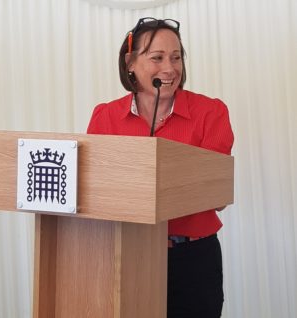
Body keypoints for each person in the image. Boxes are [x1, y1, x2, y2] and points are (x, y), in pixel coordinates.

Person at [87, 17, 234, 318]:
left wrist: (138, 184)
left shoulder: (211, 112)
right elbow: (97, 189)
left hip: (193, 260)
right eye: (157, 58)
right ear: (130, 63)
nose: (170, 69)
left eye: (176, 57)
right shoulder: (105, 117)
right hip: (126, 254)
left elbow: (215, 194)